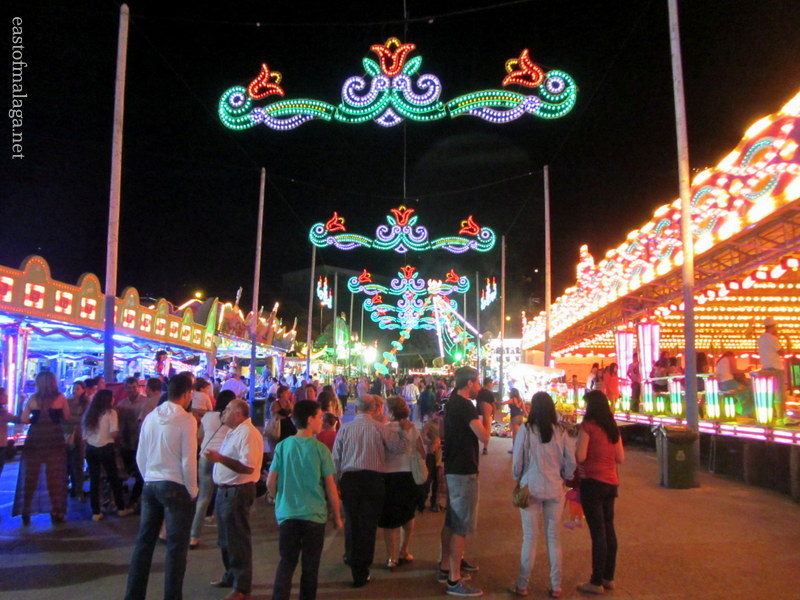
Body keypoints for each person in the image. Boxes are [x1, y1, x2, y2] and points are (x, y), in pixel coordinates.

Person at [124, 373, 198, 600]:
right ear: (186, 394)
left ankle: (134, 595)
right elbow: (188, 460)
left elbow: (141, 454)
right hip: (176, 485)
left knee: (144, 543)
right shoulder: (186, 420)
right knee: (176, 548)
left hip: (151, 483)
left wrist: (149, 476)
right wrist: (192, 489)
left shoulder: (151, 417)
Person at [332, 394, 411, 588]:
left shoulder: (345, 429)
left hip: (350, 480)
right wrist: (404, 431)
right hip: (373, 480)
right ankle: (361, 569)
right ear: (374, 409)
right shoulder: (380, 428)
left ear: (356, 409)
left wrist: (335, 484)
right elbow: (399, 448)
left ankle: (351, 556)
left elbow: (336, 458)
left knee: (352, 522)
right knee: (368, 526)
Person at [268, 400, 344, 600]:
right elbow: (330, 487)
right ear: (310, 419)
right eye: (319, 417)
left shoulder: (283, 446)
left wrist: (278, 499)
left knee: (286, 562)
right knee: (310, 568)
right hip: (314, 516)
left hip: (287, 513)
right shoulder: (321, 450)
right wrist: (337, 516)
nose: (321, 421)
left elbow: (270, 481)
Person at [509, 392, 576, 598]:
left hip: (531, 488)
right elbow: (571, 462)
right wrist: (566, 475)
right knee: (553, 538)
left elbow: (518, 462)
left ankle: (522, 585)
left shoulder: (526, 431)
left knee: (529, 537)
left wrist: (518, 478)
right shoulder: (561, 431)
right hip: (555, 488)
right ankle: (556, 586)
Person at [438, 366, 490, 597]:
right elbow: (485, 436)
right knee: (460, 524)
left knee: (451, 520)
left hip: (453, 465)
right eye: (477, 382)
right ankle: (454, 579)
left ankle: (446, 565)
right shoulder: (466, 406)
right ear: (469, 383)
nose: (478, 386)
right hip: (463, 469)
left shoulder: (451, 402)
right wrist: (487, 414)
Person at [205, 399, 263, 600]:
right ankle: (231, 576)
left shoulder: (248, 433)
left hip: (238, 491)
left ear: (239, 413)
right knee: (225, 539)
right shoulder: (234, 431)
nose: (224, 412)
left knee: (237, 539)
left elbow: (249, 467)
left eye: (228, 409)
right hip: (225, 490)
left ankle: (242, 586)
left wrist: (220, 459)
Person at [575, 390, 624, 595]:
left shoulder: (587, 426)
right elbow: (620, 458)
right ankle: (608, 577)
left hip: (593, 483)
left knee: (598, 533)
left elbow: (580, 455)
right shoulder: (613, 429)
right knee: (608, 528)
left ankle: (595, 582)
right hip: (611, 483)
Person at [13, 371, 71, 524]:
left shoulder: (33, 399)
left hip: (36, 440)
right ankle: (56, 510)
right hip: (54, 439)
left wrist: (34, 417)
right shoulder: (60, 398)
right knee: (55, 477)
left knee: (31, 476)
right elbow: (67, 416)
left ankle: (26, 510)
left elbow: (24, 419)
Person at [379, 396, 425, 570]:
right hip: (408, 475)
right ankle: (404, 550)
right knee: (408, 514)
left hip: (388, 476)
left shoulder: (383, 429)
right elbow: (422, 452)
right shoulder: (412, 428)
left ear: (390, 411)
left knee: (389, 519)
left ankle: (391, 557)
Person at [189, 389, 235, 548]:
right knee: (225, 497)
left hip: (205, 457)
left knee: (203, 498)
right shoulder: (232, 419)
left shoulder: (207, 416)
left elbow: (199, 436)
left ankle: (193, 536)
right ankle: (225, 535)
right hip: (222, 459)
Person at [82, 389, 133, 520]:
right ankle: (121, 508)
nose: (114, 399)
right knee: (114, 479)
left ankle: (96, 512)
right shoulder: (111, 413)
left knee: (94, 480)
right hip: (106, 448)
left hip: (91, 449)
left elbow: (85, 435)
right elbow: (114, 433)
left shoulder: (90, 413)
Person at [117, 376, 148, 509]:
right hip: (126, 442)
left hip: (141, 441)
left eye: (134, 387)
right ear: (125, 389)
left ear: (139, 387)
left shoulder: (145, 403)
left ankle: (134, 499)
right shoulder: (121, 404)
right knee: (126, 470)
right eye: (129, 388)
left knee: (140, 472)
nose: (131, 390)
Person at [63, 380, 90, 499]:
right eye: (74, 388)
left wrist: (72, 419)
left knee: (78, 463)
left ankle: (78, 488)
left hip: (79, 436)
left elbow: (85, 419)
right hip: (67, 435)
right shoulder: (67, 402)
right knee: (66, 463)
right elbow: (64, 418)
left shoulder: (86, 403)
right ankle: (68, 487)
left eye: (78, 388)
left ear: (83, 390)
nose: (75, 391)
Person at [758, 316, 786, 420]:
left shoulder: (761, 338)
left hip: (766, 368)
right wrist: (779, 339)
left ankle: (769, 416)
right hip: (776, 368)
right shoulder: (772, 338)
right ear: (773, 327)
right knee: (779, 393)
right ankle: (781, 417)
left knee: (769, 393)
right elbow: (781, 352)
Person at [419, 409, 443, 512]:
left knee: (438, 481)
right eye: (436, 414)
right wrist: (431, 442)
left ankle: (435, 503)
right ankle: (421, 503)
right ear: (432, 414)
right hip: (431, 454)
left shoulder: (444, 424)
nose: (438, 416)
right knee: (427, 480)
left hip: (440, 456)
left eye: (439, 414)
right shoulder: (429, 424)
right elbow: (421, 437)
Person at [475, 377, 495, 456]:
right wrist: (493, 414)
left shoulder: (479, 391)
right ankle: (485, 448)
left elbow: (476, 400)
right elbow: (493, 404)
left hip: (478, 413)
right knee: (487, 430)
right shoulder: (489, 393)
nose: (492, 385)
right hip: (487, 414)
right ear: (488, 383)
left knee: (477, 431)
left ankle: (476, 447)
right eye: (491, 383)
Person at [506, 388, 528, 452]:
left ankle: (515, 449)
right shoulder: (520, 400)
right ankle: (520, 448)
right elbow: (524, 410)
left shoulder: (512, 400)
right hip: (520, 417)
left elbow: (502, 403)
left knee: (515, 435)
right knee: (519, 434)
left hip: (514, 417)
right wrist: (527, 416)